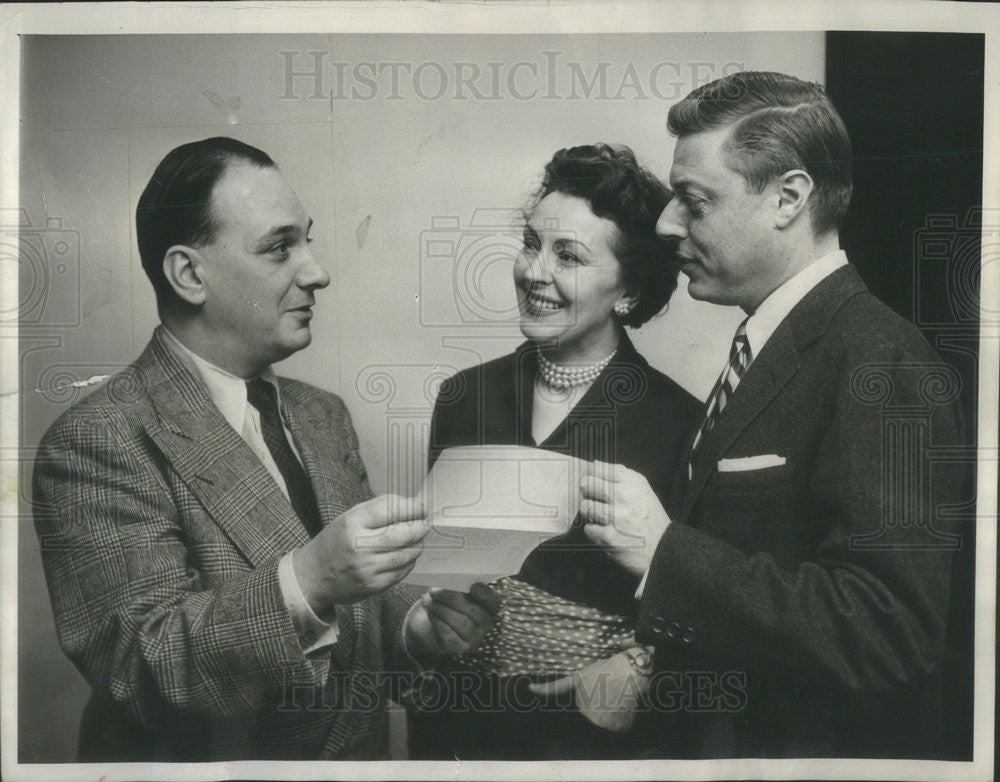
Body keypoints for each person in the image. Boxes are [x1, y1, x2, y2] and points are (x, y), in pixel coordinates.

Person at [31, 137, 498, 762]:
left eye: (307, 239)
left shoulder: (320, 414)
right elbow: (142, 671)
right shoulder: (98, 440)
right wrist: (307, 578)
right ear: (189, 274)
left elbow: (354, 610)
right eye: (281, 247)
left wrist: (416, 628)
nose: (317, 271)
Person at [580, 72, 969, 757]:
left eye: (694, 201)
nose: (668, 222)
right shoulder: (774, 347)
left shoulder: (884, 362)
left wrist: (664, 552)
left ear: (789, 198)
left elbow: (889, 635)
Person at [406, 144, 701, 759]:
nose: (534, 272)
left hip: (588, 737)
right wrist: (429, 623)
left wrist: (646, 666)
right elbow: (432, 566)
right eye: (531, 243)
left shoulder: (681, 422)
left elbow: (701, 606)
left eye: (568, 256)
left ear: (628, 290)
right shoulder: (465, 396)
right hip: (456, 726)